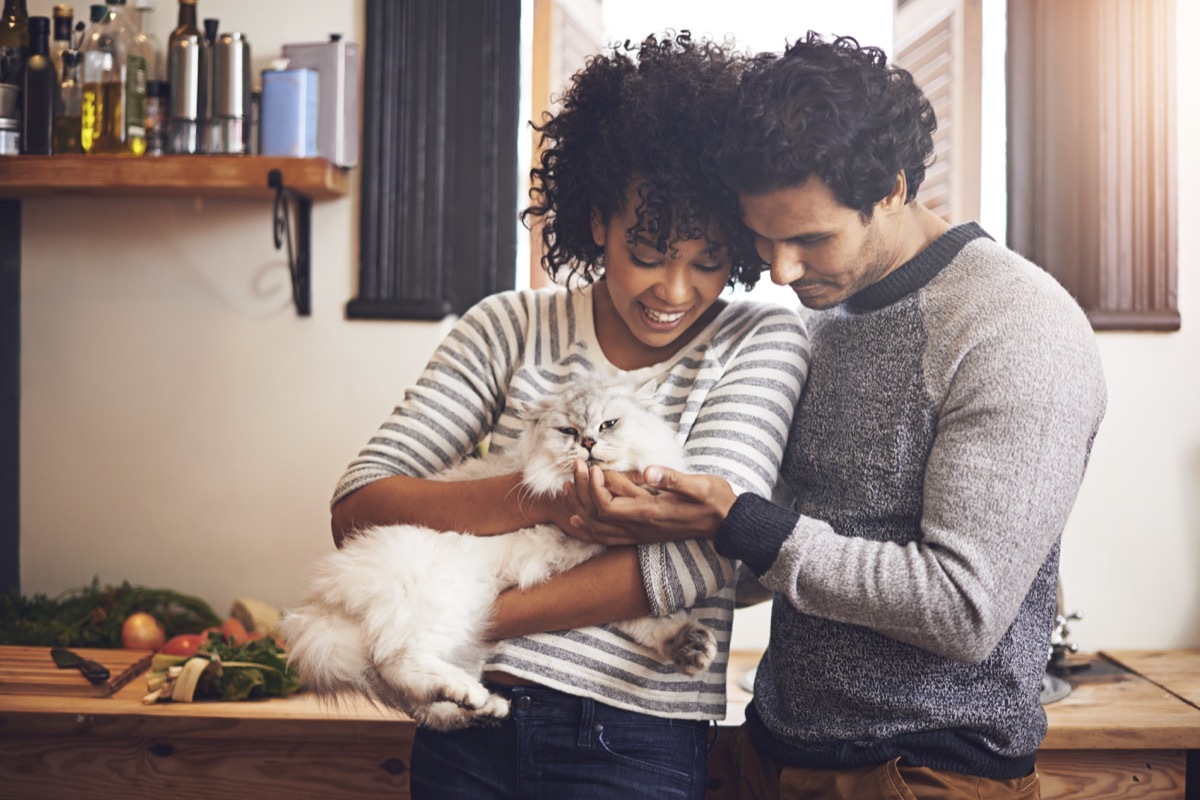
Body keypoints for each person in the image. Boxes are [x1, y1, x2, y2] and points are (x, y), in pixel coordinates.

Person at [566, 32, 1108, 799]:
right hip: (773, 752)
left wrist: (741, 522)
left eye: (809, 239)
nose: (781, 271)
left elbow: (963, 608)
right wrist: (668, 525)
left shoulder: (1016, 326)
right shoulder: (821, 318)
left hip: (924, 775)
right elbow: (804, 549)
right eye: (763, 238)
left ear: (890, 188)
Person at [328, 32, 810, 799]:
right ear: (596, 222)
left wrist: (461, 622)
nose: (675, 291)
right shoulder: (506, 326)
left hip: (632, 735)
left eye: (708, 261)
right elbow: (360, 508)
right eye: (647, 250)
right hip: (468, 724)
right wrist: (541, 497)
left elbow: (709, 550)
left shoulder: (761, 339)